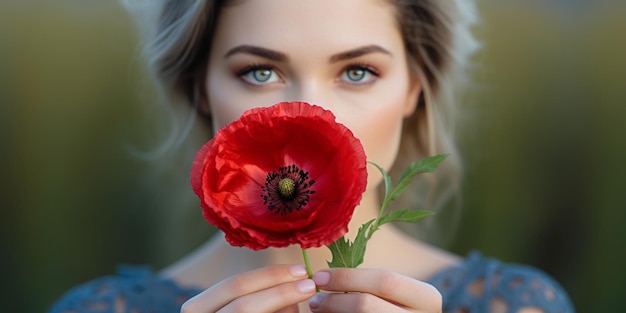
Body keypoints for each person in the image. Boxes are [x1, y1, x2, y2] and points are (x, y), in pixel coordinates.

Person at [50, 0, 575, 312]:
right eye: (259, 71)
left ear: (416, 88)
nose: (309, 115)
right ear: (200, 88)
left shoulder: (516, 304)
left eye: (357, 72)